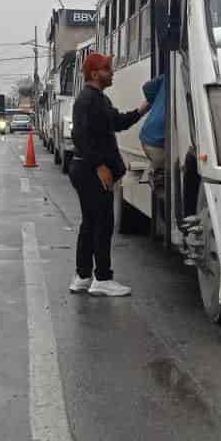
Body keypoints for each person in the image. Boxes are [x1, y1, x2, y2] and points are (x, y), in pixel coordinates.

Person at [67, 52, 147, 297]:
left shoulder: (98, 99)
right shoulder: (87, 100)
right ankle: (102, 278)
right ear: (94, 74)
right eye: (107, 69)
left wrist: (142, 109)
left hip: (88, 169)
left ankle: (82, 277)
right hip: (90, 171)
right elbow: (80, 137)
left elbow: (118, 122)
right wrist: (100, 166)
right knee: (102, 223)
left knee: (91, 223)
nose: (112, 73)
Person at [140, 68, 168, 177]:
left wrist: (157, 101)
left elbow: (147, 87)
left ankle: (155, 172)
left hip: (146, 135)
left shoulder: (169, 74)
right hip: (158, 142)